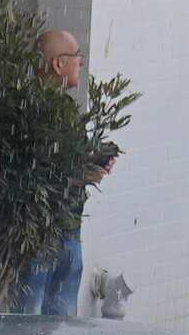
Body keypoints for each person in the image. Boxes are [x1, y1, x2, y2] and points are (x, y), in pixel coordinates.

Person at [20, 28, 120, 319]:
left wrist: (96, 162)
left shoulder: (64, 109)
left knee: (60, 320)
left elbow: (68, 161)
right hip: (39, 234)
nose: (81, 63)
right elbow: (35, 174)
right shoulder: (33, 110)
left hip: (68, 230)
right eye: (77, 58)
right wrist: (79, 176)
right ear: (58, 64)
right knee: (29, 320)